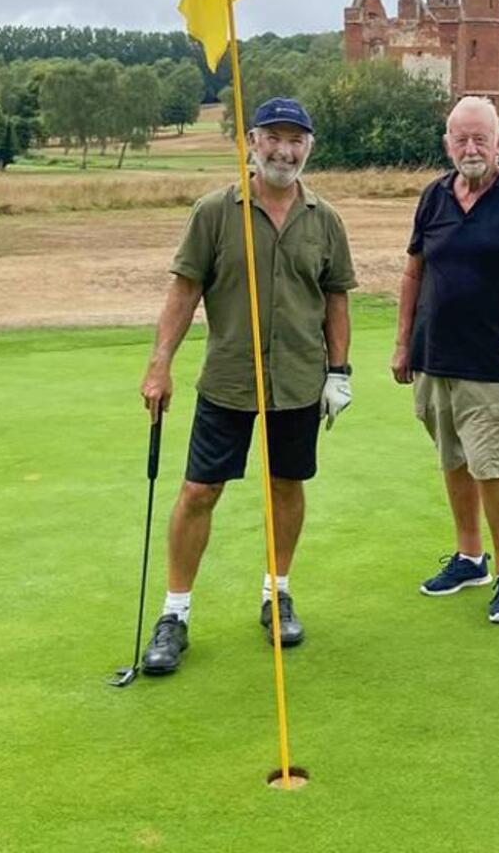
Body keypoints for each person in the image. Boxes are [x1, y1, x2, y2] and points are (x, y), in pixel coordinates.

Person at [136, 97, 357, 674]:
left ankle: (276, 593)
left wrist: (339, 371)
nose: (285, 151)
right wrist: (160, 364)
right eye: (273, 139)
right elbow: (184, 291)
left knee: (286, 484)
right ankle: (174, 614)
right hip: (230, 378)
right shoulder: (215, 212)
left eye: (296, 140)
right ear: (252, 142)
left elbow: (335, 299)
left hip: (299, 380)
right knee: (199, 491)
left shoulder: (325, 219)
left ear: (309, 146)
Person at [392, 96, 499, 625]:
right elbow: (414, 272)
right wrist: (402, 344)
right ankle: (470, 557)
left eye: (480, 138)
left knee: (492, 468)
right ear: (448, 144)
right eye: (461, 139)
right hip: (434, 355)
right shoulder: (434, 196)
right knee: (454, 461)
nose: (471, 148)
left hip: (491, 361)